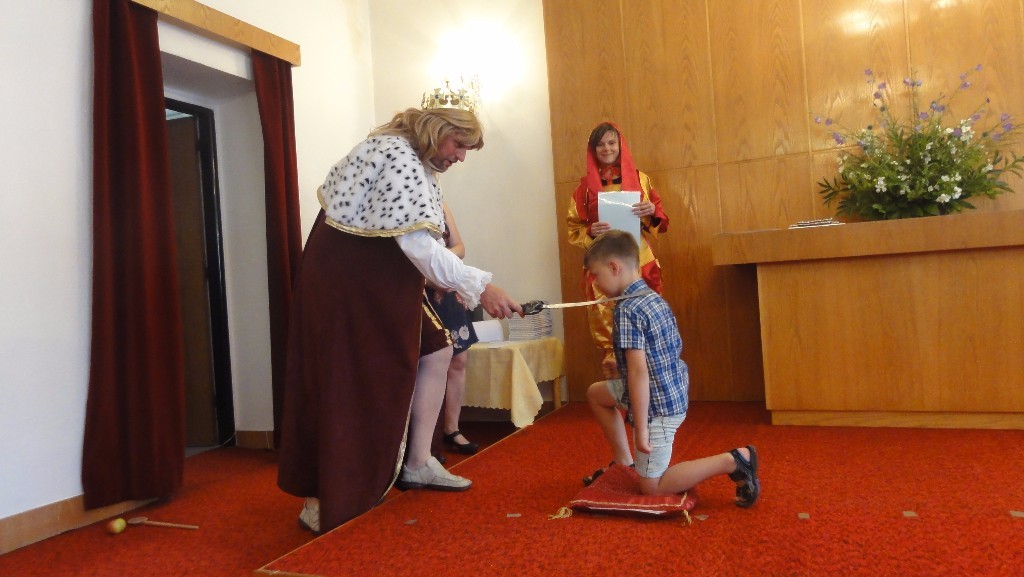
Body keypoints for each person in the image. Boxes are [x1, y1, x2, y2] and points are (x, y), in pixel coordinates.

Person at [277, 106, 523, 535]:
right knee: (347, 382)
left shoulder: (412, 159)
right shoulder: (397, 155)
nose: (461, 156)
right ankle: (324, 493)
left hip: (373, 280)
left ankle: (418, 462)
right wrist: (481, 287)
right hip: (349, 286)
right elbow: (417, 246)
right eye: (459, 145)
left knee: (437, 348)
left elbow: (414, 243)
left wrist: (448, 281)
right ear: (437, 131)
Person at [581, 230, 759, 507]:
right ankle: (625, 463)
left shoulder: (627, 309)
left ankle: (734, 461)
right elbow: (662, 350)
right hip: (670, 389)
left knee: (653, 487)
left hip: (657, 407)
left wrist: (641, 428)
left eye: (595, 274)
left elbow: (640, 374)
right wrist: (620, 365)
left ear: (614, 267)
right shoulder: (651, 298)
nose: (594, 282)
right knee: (597, 393)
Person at [566, 122, 669, 379]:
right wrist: (591, 230)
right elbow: (573, 228)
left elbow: (661, 219)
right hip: (603, 265)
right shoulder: (583, 189)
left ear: (620, 145)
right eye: (600, 144)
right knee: (609, 323)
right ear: (593, 150)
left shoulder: (642, 179)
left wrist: (651, 211)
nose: (607, 148)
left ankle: (650, 384)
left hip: (639, 260)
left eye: (612, 142)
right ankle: (618, 387)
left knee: (645, 318)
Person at [426, 202, 480, 456]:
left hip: (445, 285)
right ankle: (427, 437)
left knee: (459, 359)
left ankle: (452, 428)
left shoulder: (441, 204)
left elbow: (460, 248)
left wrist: (437, 259)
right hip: (418, 289)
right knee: (429, 363)